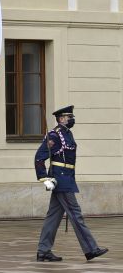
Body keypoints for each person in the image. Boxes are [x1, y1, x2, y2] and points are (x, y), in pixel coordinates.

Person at [35, 105, 109, 262]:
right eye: (69, 117)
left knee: (53, 217)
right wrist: (44, 178)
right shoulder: (55, 135)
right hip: (60, 180)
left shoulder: (68, 134)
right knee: (76, 214)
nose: (72, 119)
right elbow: (39, 158)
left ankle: (43, 250)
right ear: (61, 119)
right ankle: (91, 249)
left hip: (67, 178)